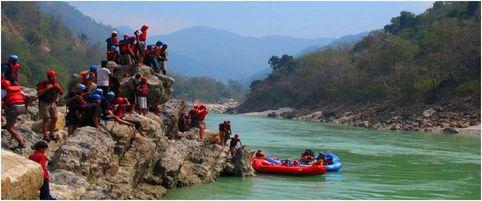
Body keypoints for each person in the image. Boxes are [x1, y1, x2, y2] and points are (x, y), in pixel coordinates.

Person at [37, 70, 64, 142]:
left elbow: (61, 93)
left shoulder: (56, 84)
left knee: (55, 118)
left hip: (53, 103)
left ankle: (51, 134)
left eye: (55, 76)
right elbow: (39, 93)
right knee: (46, 118)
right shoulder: (42, 84)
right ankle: (45, 135)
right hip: (44, 103)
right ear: (49, 77)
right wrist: (47, 88)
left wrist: (58, 87)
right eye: (53, 76)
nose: (55, 78)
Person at [1, 79, 27, 149]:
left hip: (14, 109)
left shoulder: (3, 91)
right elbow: (27, 96)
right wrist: (26, 106)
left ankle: (21, 143)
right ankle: (8, 124)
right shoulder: (17, 89)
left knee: (10, 128)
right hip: (22, 107)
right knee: (8, 111)